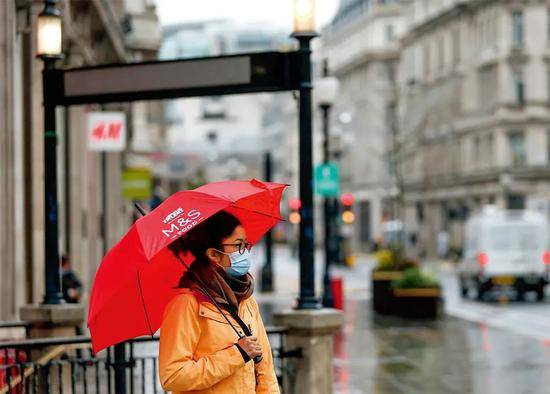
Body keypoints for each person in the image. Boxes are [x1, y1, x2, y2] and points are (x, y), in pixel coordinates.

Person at [159, 211, 280, 394]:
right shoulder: (187, 304)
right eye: (238, 246)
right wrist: (236, 354)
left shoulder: (246, 300)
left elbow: (265, 371)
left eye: (246, 245)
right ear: (214, 254)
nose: (245, 253)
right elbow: (173, 376)